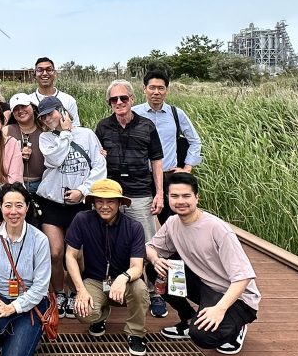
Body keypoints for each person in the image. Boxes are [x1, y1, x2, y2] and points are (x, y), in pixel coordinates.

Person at [146, 172, 260, 355]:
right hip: (204, 285)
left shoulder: (217, 229)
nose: (180, 201)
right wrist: (154, 258)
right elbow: (151, 247)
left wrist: (219, 309)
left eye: (186, 196)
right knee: (154, 268)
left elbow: (243, 277)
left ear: (197, 197)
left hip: (236, 296)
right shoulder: (173, 223)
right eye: (175, 196)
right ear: (167, 198)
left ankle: (236, 328)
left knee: (203, 336)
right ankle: (189, 318)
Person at [94, 79, 167, 318]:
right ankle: (116, 288)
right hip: (112, 195)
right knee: (112, 242)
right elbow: (95, 160)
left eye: (123, 98)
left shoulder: (146, 126)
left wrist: (159, 193)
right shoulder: (103, 127)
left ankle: (154, 293)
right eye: (113, 99)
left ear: (132, 99)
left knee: (147, 245)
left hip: (140, 193)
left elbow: (157, 160)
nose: (118, 103)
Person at [35, 96, 108, 319]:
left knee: (79, 254)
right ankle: (59, 293)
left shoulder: (86, 134)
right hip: (53, 202)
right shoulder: (46, 139)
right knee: (56, 252)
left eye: (52, 113)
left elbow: (99, 165)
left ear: (63, 111)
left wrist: (83, 191)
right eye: (44, 116)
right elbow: (54, 160)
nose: (49, 119)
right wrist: (65, 134)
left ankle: (80, 290)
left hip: (80, 203)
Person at [64, 179, 149, 356]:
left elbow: (137, 267)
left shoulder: (134, 227)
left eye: (110, 201)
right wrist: (80, 290)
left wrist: (122, 278)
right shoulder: (82, 219)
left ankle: (136, 333)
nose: (105, 206)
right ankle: (100, 316)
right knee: (83, 312)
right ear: (93, 203)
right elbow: (70, 256)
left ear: (119, 203)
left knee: (140, 289)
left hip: (125, 281)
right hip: (94, 279)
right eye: (99, 201)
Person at [0, 184, 51, 356]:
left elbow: (40, 288)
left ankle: (25, 333)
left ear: (27, 207)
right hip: (1, 297)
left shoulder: (40, 240)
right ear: (0, 206)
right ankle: (7, 337)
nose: (13, 212)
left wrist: (13, 308)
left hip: (30, 302)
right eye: (8, 205)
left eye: (19, 205)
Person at [132, 68, 203, 221]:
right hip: (141, 178)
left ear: (166, 90)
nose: (156, 92)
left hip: (169, 177)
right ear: (144, 89)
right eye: (152, 87)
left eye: (160, 88)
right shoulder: (134, 113)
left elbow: (195, 141)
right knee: (143, 223)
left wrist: (187, 168)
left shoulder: (176, 114)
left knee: (173, 222)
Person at [4, 93, 45, 197]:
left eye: (24, 106)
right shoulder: (6, 131)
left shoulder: (45, 130)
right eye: (16, 109)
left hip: (43, 185)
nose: (20, 111)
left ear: (33, 107)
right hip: (15, 186)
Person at [31, 57, 80, 127]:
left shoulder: (68, 100)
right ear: (35, 74)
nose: (44, 73)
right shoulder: (28, 101)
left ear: (55, 73)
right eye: (40, 70)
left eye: (49, 69)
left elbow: (75, 126)